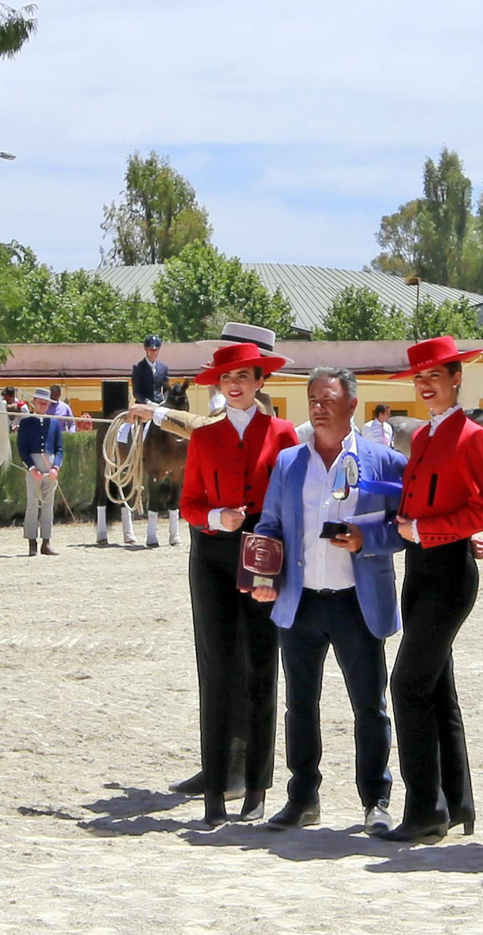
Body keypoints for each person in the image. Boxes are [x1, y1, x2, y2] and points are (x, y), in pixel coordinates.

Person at [252, 367, 406, 833]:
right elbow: (269, 525)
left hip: (357, 602)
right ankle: (302, 798)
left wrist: (367, 538)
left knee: (370, 707)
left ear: (352, 404)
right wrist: (262, 570)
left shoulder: (385, 461)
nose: (318, 407)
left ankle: (376, 800)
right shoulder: (288, 463)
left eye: (328, 398)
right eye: (312, 398)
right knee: (299, 705)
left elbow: (404, 528)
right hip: (300, 602)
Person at [175, 337, 299, 825]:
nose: (234, 385)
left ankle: (257, 787)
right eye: (227, 378)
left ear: (259, 383)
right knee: (218, 667)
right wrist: (215, 516)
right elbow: (188, 504)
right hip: (212, 556)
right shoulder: (205, 437)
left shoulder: (283, 432)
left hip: (265, 556)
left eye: (243, 377)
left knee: (262, 667)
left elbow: (294, 500)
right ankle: (213, 790)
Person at [380, 337, 483, 843]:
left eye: (436, 376)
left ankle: (425, 809)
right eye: (419, 378)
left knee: (406, 685)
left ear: (456, 379)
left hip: (447, 573)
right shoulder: (422, 438)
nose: (426, 385)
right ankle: (457, 801)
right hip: (420, 572)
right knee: (436, 688)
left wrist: (430, 532)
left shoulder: (472, 435)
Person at [127, 323, 284, 440]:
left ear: (259, 380)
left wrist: (154, 412)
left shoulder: (260, 407)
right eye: (225, 373)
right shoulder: (238, 402)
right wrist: (215, 388)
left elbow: (209, 428)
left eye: (241, 374)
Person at [18, 387, 64, 557]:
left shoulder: (53, 422)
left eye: (46, 403)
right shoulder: (26, 422)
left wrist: (56, 467)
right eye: (41, 402)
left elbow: (59, 448)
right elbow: (22, 448)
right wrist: (31, 468)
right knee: (32, 505)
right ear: (34, 403)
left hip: (50, 467)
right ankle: (32, 542)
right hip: (33, 467)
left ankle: (46, 542)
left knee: (48, 506)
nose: (44, 405)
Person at [131, 335, 169, 406]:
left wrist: (165, 400)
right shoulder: (138, 368)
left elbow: (166, 389)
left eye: (156, 350)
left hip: (159, 403)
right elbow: (136, 392)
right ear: (146, 349)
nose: (153, 352)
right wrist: (148, 402)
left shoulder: (163, 368)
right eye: (151, 349)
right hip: (143, 404)